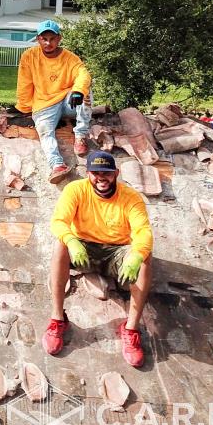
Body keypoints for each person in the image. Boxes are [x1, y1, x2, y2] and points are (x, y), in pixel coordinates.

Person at [44, 150, 153, 368]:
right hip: (83, 249)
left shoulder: (131, 197)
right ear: (88, 174)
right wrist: (73, 242)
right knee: (61, 244)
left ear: (116, 173)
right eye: (95, 172)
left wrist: (136, 256)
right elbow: (58, 222)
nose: (101, 177)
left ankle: (130, 328)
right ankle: (57, 319)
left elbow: (144, 232)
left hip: (117, 251)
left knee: (145, 258)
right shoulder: (75, 190)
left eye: (107, 172)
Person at [16, 19, 92, 184]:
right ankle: (57, 165)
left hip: (66, 101)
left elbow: (83, 74)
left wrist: (78, 91)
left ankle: (80, 135)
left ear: (59, 39)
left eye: (52, 38)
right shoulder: (29, 56)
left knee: (85, 92)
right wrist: (24, 107)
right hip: (43, 104)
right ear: (38, 39)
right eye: (44, 39)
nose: (48, 42)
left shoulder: (70, 58)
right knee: (45, 132)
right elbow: (24, 83)